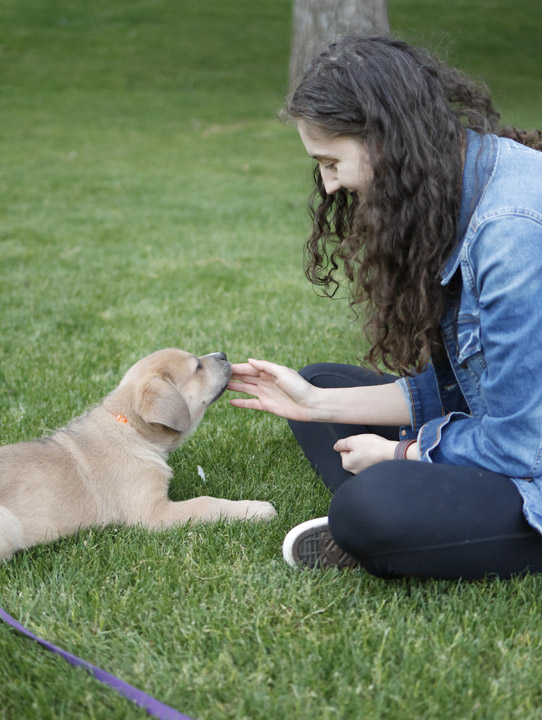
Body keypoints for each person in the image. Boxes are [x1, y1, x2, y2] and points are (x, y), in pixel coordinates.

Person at [227, 35, 542, 581]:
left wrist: (404, 456)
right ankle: (425, 513)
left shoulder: (511, 232)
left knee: (369, 508)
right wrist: (316, 404)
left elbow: (523, 445)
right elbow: (466, 388)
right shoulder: (456, 181)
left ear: (387, 141)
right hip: (511, 431)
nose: (328, 187)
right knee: (320, 382)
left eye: (331, 162)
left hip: (529, 463)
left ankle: (407, 523)